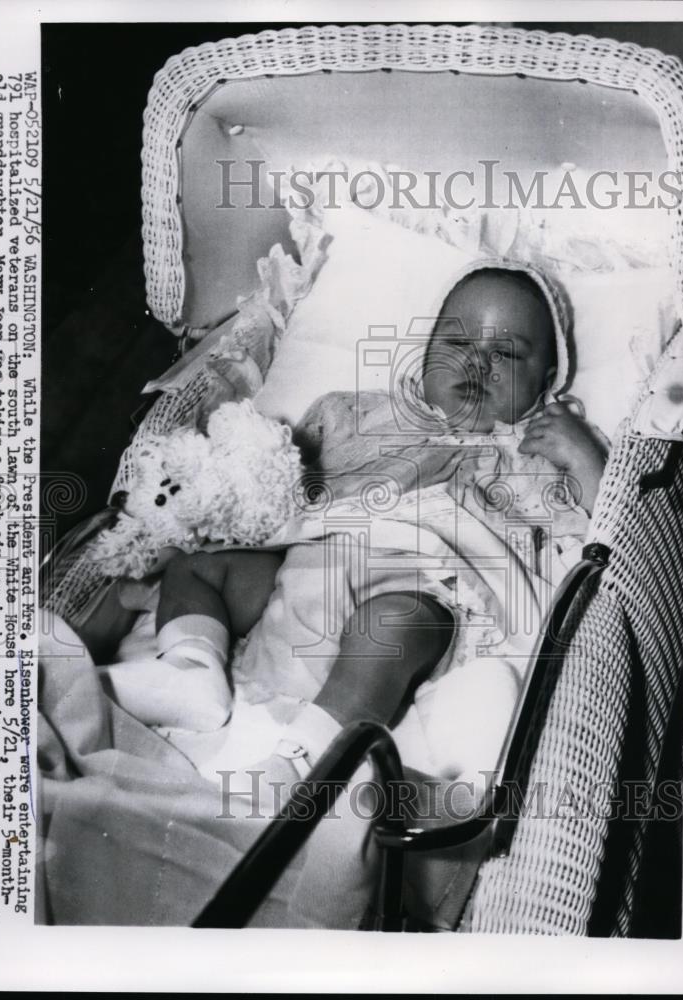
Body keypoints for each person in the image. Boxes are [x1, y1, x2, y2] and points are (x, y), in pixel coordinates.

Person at [77, 264, 609, 801]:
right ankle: (191, 669)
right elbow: (270, 488)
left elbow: (591, 541)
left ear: (546, 382)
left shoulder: (533, 459)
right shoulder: (355, 414)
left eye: (509, 354)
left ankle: (308, 762)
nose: (478, 361)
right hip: (305, 568)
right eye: (456, 340)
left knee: (389, 629)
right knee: (200, 570)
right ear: (424, 349)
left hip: (423, 589)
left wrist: (586, 459)